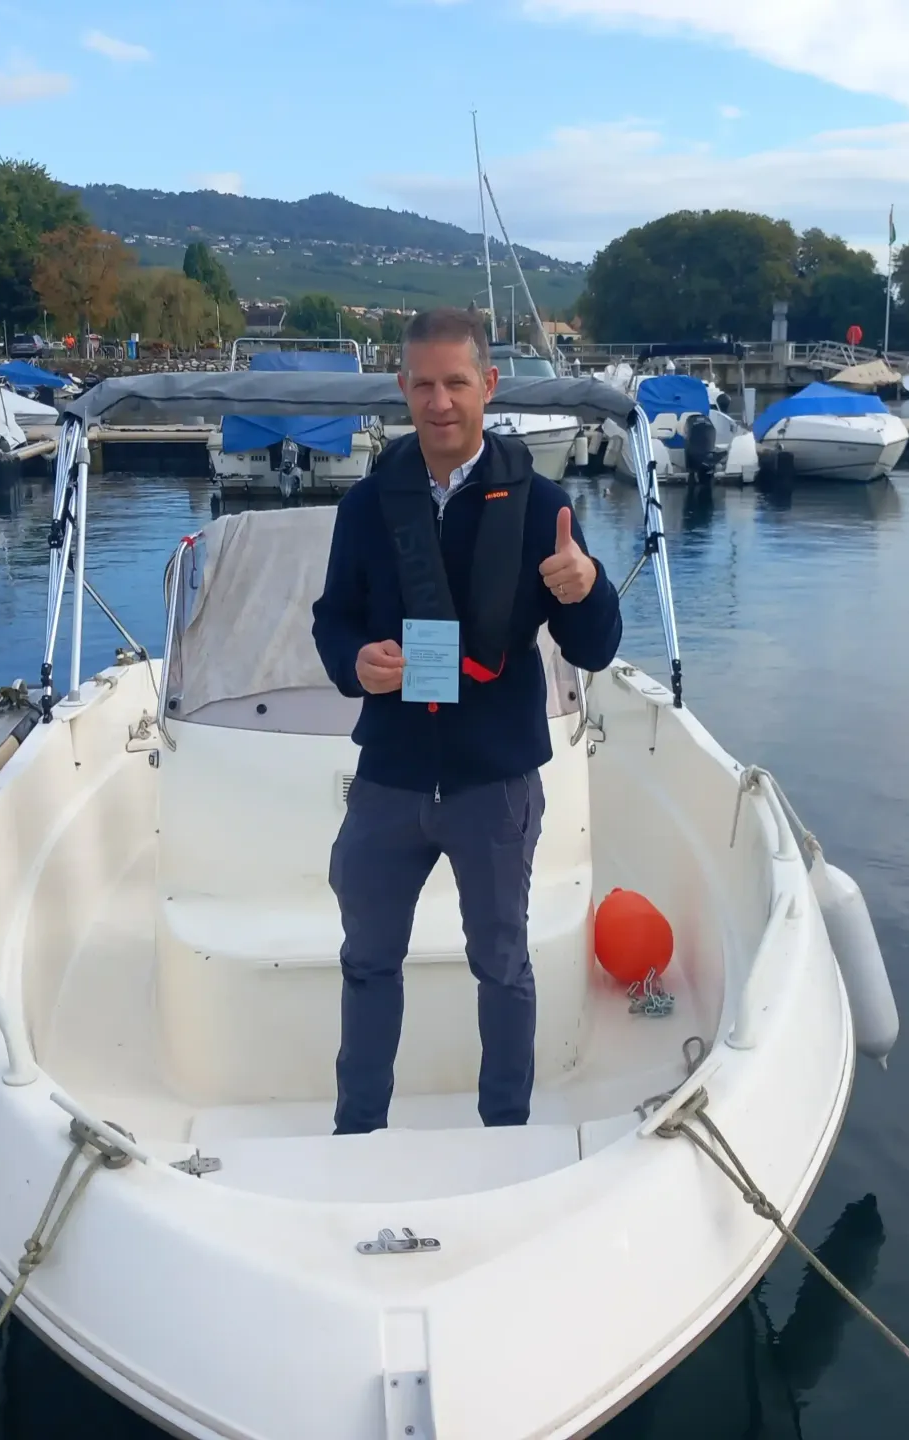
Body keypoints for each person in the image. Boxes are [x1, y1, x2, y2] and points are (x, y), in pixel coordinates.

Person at [311, 308, 622, 1134]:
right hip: (390, 777)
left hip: (494, 780)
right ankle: (357, 1131)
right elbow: (333, 620)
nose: (439, 401)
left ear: (488, 384)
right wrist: (354, 661)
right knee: (366, 961)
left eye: (456, 382)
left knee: (502, 964)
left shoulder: (544, 506)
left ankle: (506, 1131)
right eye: (422, 384)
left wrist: (587, 586)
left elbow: (593, 649)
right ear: (401, 389)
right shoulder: (368, 505)